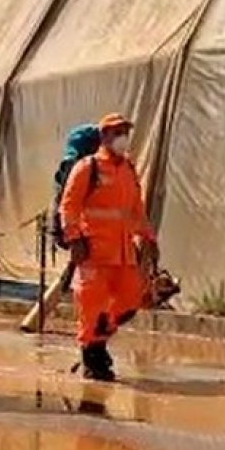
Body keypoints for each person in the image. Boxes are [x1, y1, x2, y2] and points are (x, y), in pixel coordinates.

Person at [59, 113, 158, 381]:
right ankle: (92, 356)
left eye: (125, 131)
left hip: (123, 254)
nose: (122, 137)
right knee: (92, 308)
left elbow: (136, 211)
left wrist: (149, 238)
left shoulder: (128, 170)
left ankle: (98, 341)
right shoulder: (87, 168)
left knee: (131, 300)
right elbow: (68, 207)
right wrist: (74, 239)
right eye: (116, 132)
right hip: (94, 253)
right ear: (104, 136)